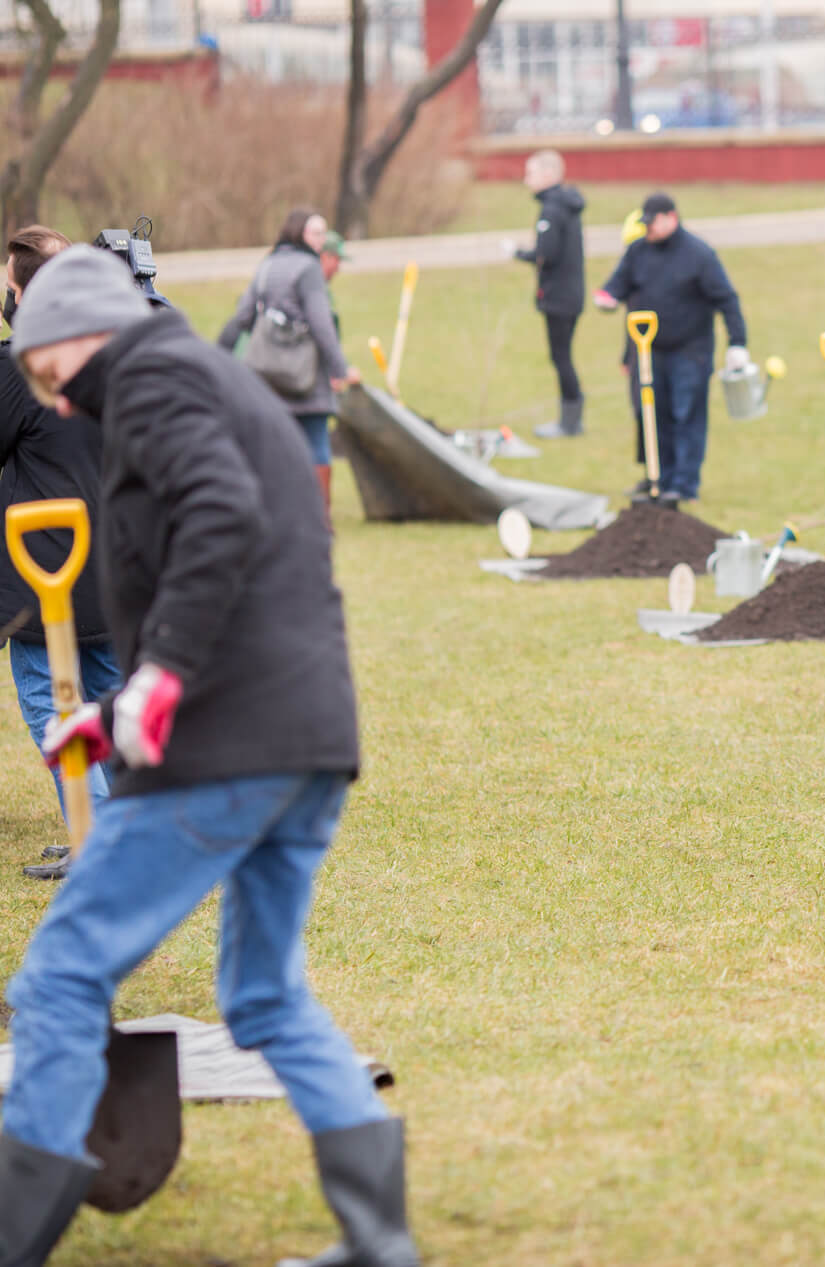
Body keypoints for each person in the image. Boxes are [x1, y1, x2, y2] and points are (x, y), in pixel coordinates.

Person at [3, 247, 417, 1267]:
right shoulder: (200, 375)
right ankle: (378, 1244)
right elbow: (253, 558)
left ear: (81, 335)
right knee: (265, 995)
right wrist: (115, 705)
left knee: (60, 976)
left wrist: (158, 681)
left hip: (227, 748)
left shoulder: (152, 375)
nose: (53, 404)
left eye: (48, 374)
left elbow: (219, 515)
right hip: (305, 740)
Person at [0, 225, 119, 881]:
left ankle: (93, 835)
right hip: (111, 562)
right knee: (112, 694)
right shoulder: (111, 351)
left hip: (48, 565)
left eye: (9, 287)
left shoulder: (24, 363)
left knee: (51, 701)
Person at [593, 192, 748, 503]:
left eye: (653, 223)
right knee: (652, 414)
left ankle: (684, 485)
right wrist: (607, 299)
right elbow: (617, 285)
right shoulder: (638, 252)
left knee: (686, 414)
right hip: (649, 351)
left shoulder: (698, 255)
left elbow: (726, 299)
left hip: (690, 350)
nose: (648, 230)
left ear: (671, 218)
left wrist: (737, 343)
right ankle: (658, 478)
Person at [217, 207, 358, 520]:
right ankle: (319, 517)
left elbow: (243, 315)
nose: (322, 240)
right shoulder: (309, 267)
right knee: (317, 440)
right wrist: (340, 368)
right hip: (304, 372)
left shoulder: (268, 264)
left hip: (268, 372)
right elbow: (321, 323)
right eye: (317, 233)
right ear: (299, 233)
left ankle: (275, 513)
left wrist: (219, 354)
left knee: (275, 444)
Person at [514, 149, 587, 439]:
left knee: (561, 357)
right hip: (569, 294)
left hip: (560, 297)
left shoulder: (553, 209)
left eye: (530, 173)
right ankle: (570, 419)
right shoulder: (563, 205)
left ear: (547, 175)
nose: (526, 180)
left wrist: (518, 253)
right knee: (562, 356)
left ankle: (569, 422)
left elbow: (547, 254)